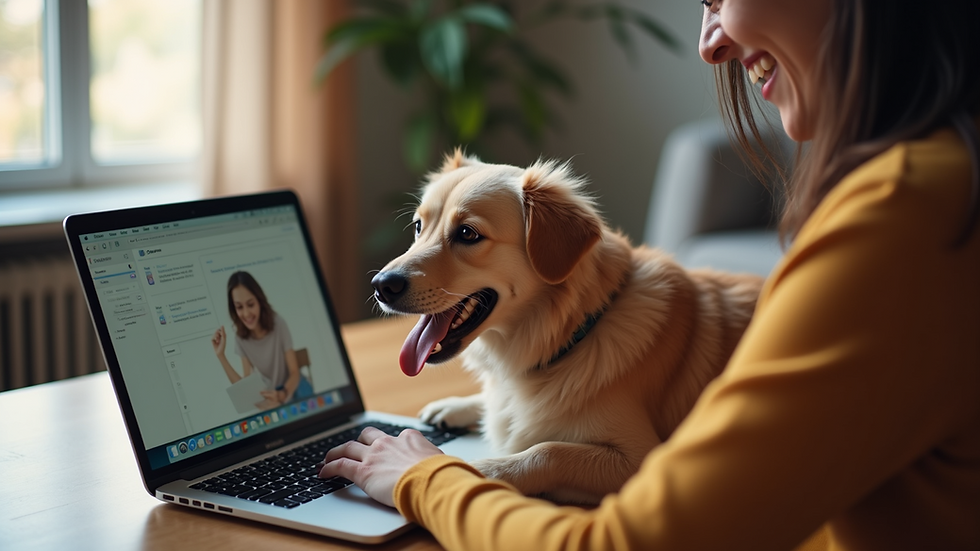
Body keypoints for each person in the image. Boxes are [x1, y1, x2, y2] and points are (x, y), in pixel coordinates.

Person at [318, 1, 980, 549]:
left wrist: (427, 480)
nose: (709, 43)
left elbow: (628, 543)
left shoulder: (908, 218)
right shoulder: (942, 181)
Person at [212, 270, 313, 408]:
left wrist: (281, 396)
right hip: (274, 392)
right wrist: (221, 356)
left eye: (251, 304)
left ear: (259, 301)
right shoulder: (241, 339)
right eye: (239, 307)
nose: (246, 313)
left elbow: (294, 373)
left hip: (294, 386)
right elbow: (245, 386)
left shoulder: (278, 324)